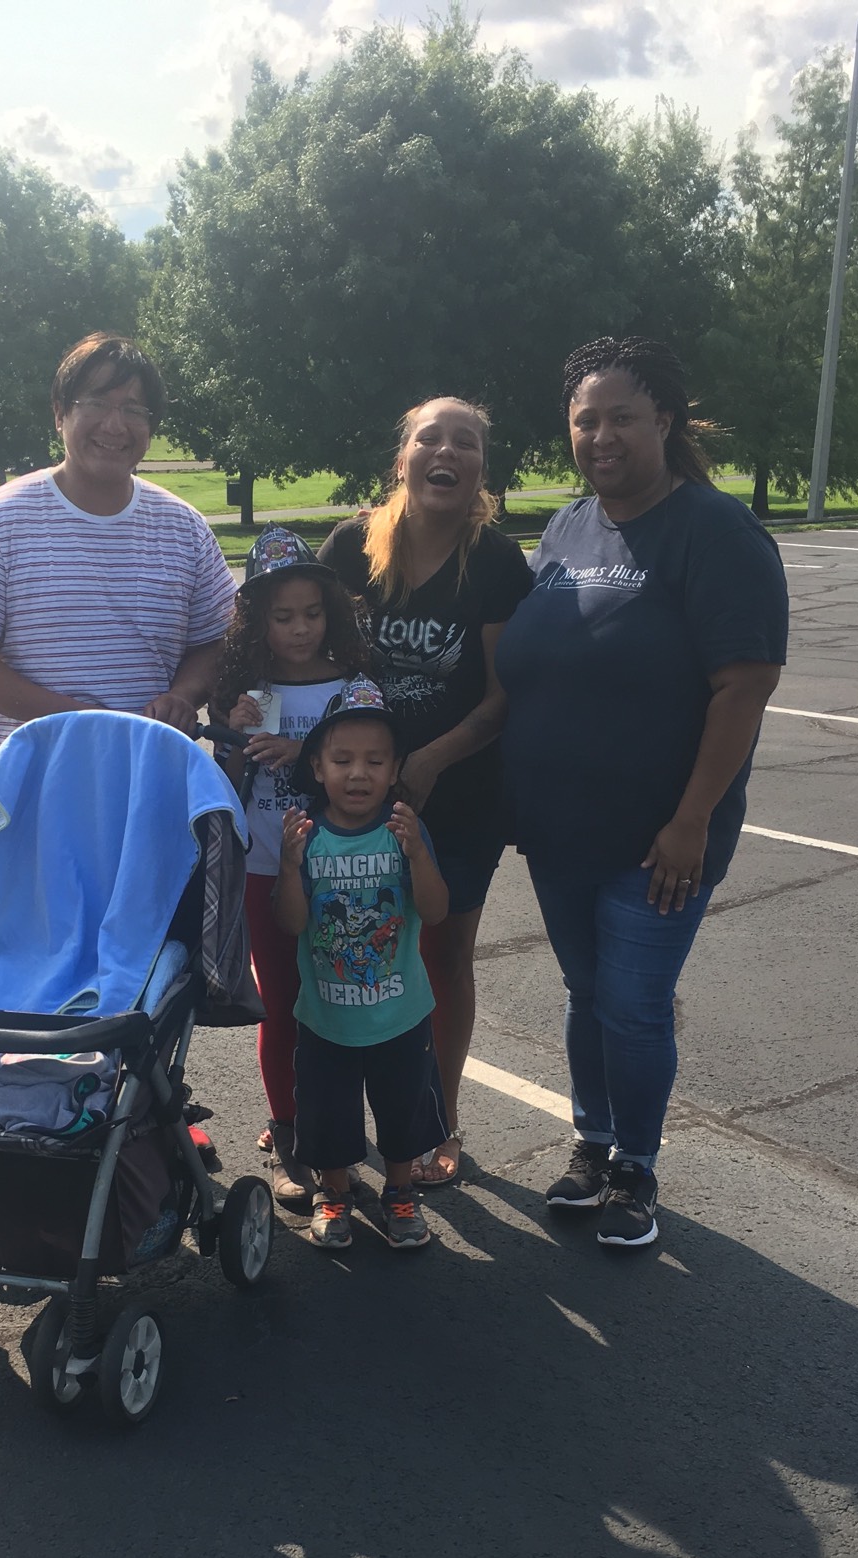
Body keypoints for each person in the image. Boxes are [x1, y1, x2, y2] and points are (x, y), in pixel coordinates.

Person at [496, 336, 788, 1250]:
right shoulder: (568, 526)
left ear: (664, 419)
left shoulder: (716, 532)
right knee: (588, 993)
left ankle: (636, 1169)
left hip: (660, 833)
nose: (602, 435)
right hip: (558, 824)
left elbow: (745, 685)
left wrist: (692, 821)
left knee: (632, 1003)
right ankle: (591, 1142)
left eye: (622, 416)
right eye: (586, 420)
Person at [319, 398, 532, 1187]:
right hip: (353, 795)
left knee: (443, 956)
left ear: (479, 467)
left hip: (463, 794)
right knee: (343, 948)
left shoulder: (497, 562)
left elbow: (507, 696)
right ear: (402, 457)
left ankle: (438, 1120)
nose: (447, 452)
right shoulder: (350, 549)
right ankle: (330, 1117)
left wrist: (435, 757)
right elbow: (310, 656)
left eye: (466, 443)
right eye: (430, 438)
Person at [0, 332, 236, 804]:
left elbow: (215, 640)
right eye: (97, 403)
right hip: (35, 788)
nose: (115, 425)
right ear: (59, 413)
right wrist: (83, 723)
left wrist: (185, 695)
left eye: (134, 409)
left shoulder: (183, 527)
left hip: (153, 784)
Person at [214, 526, 381, 1209]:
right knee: (280, 1004)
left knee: (341, 1005)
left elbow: (369, 779)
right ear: (257, 622)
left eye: (312, 613)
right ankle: (287, 1136)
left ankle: (337, 1129)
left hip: (347, 872)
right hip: (262, 869)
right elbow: (220, 785)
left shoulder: (357, 687)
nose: (300, 629)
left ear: (331, 612)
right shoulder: (245, 691)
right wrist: (232, 730)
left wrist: (301, 752)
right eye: (283, 617)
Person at [275, 681, 450, 1252]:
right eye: (342, 760)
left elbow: (436, 910)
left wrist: (419, 854)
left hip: (400, 1015)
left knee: (403, 1113)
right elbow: (293, 924)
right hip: (327, 1018)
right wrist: (287, 867)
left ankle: (400, 1192)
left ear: (395, 768)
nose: (358, 773)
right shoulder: (307, 833)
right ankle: (333, 1194)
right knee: (327, 1116)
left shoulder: (404, 829)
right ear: (318, 767)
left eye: (375, 761)